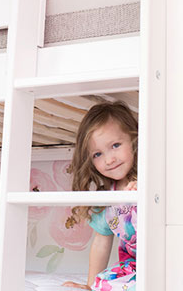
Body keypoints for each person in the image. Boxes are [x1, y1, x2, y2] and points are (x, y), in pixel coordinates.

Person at [63, 102, 138, 291]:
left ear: (134, 141)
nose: (109, 159)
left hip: (163, 260)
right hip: (133, 266)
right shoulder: (107, 198)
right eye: (97, 154)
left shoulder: (150, 179)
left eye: (115, 145)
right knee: (102, 283)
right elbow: (101, 244)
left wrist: (146, 187)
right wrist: (90, 285)